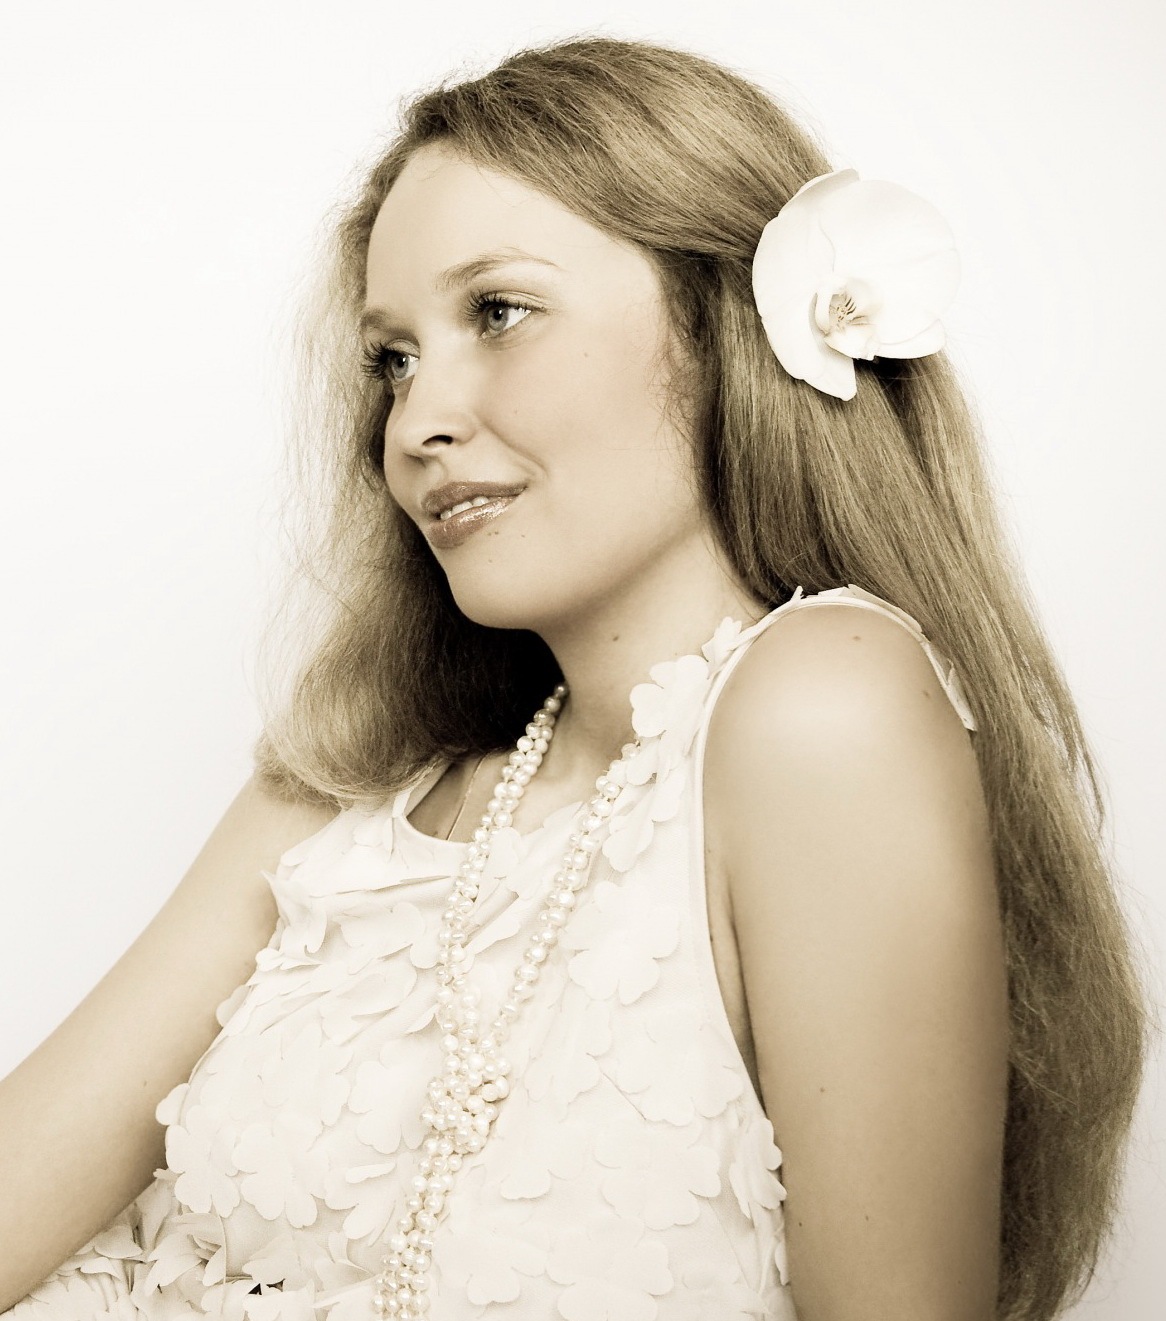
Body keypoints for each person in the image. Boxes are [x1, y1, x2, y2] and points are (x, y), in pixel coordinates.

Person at [0, 34, 1149, 1321]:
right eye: (392, 358)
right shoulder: (350, 787)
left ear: (724, 325)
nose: (415, 423)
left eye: (497, 313)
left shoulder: (823, 704)